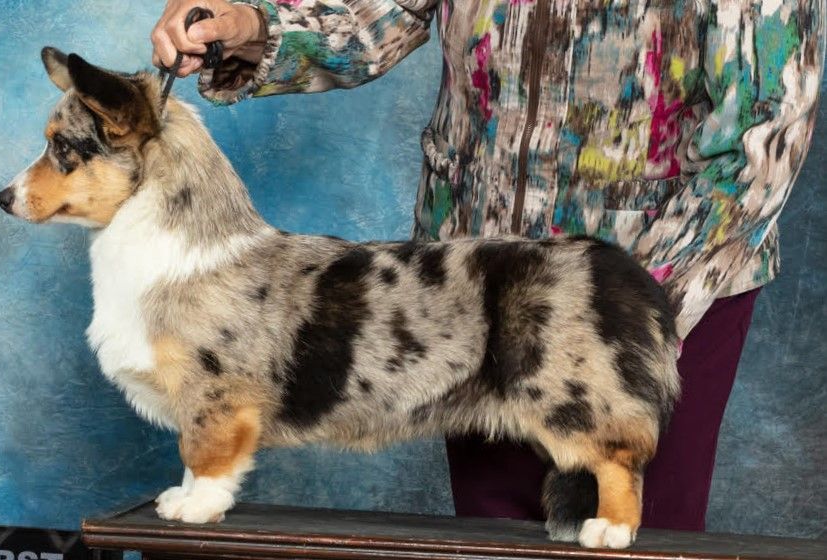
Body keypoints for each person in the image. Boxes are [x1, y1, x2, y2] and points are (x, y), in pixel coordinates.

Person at [151, 0, 825, 532]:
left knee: (636, 532)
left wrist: (626, 308)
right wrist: (248, 27)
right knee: (495, 535)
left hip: (655, 285)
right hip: (470, 291)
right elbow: (370, 18)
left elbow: (765, 132)